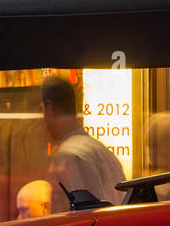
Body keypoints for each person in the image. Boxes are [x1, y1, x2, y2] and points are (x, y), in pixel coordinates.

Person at [41, 75, 127, 214]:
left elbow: (73, 220)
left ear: (50, 108)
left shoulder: (68, 158)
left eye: (42, 110)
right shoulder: (105, 153)